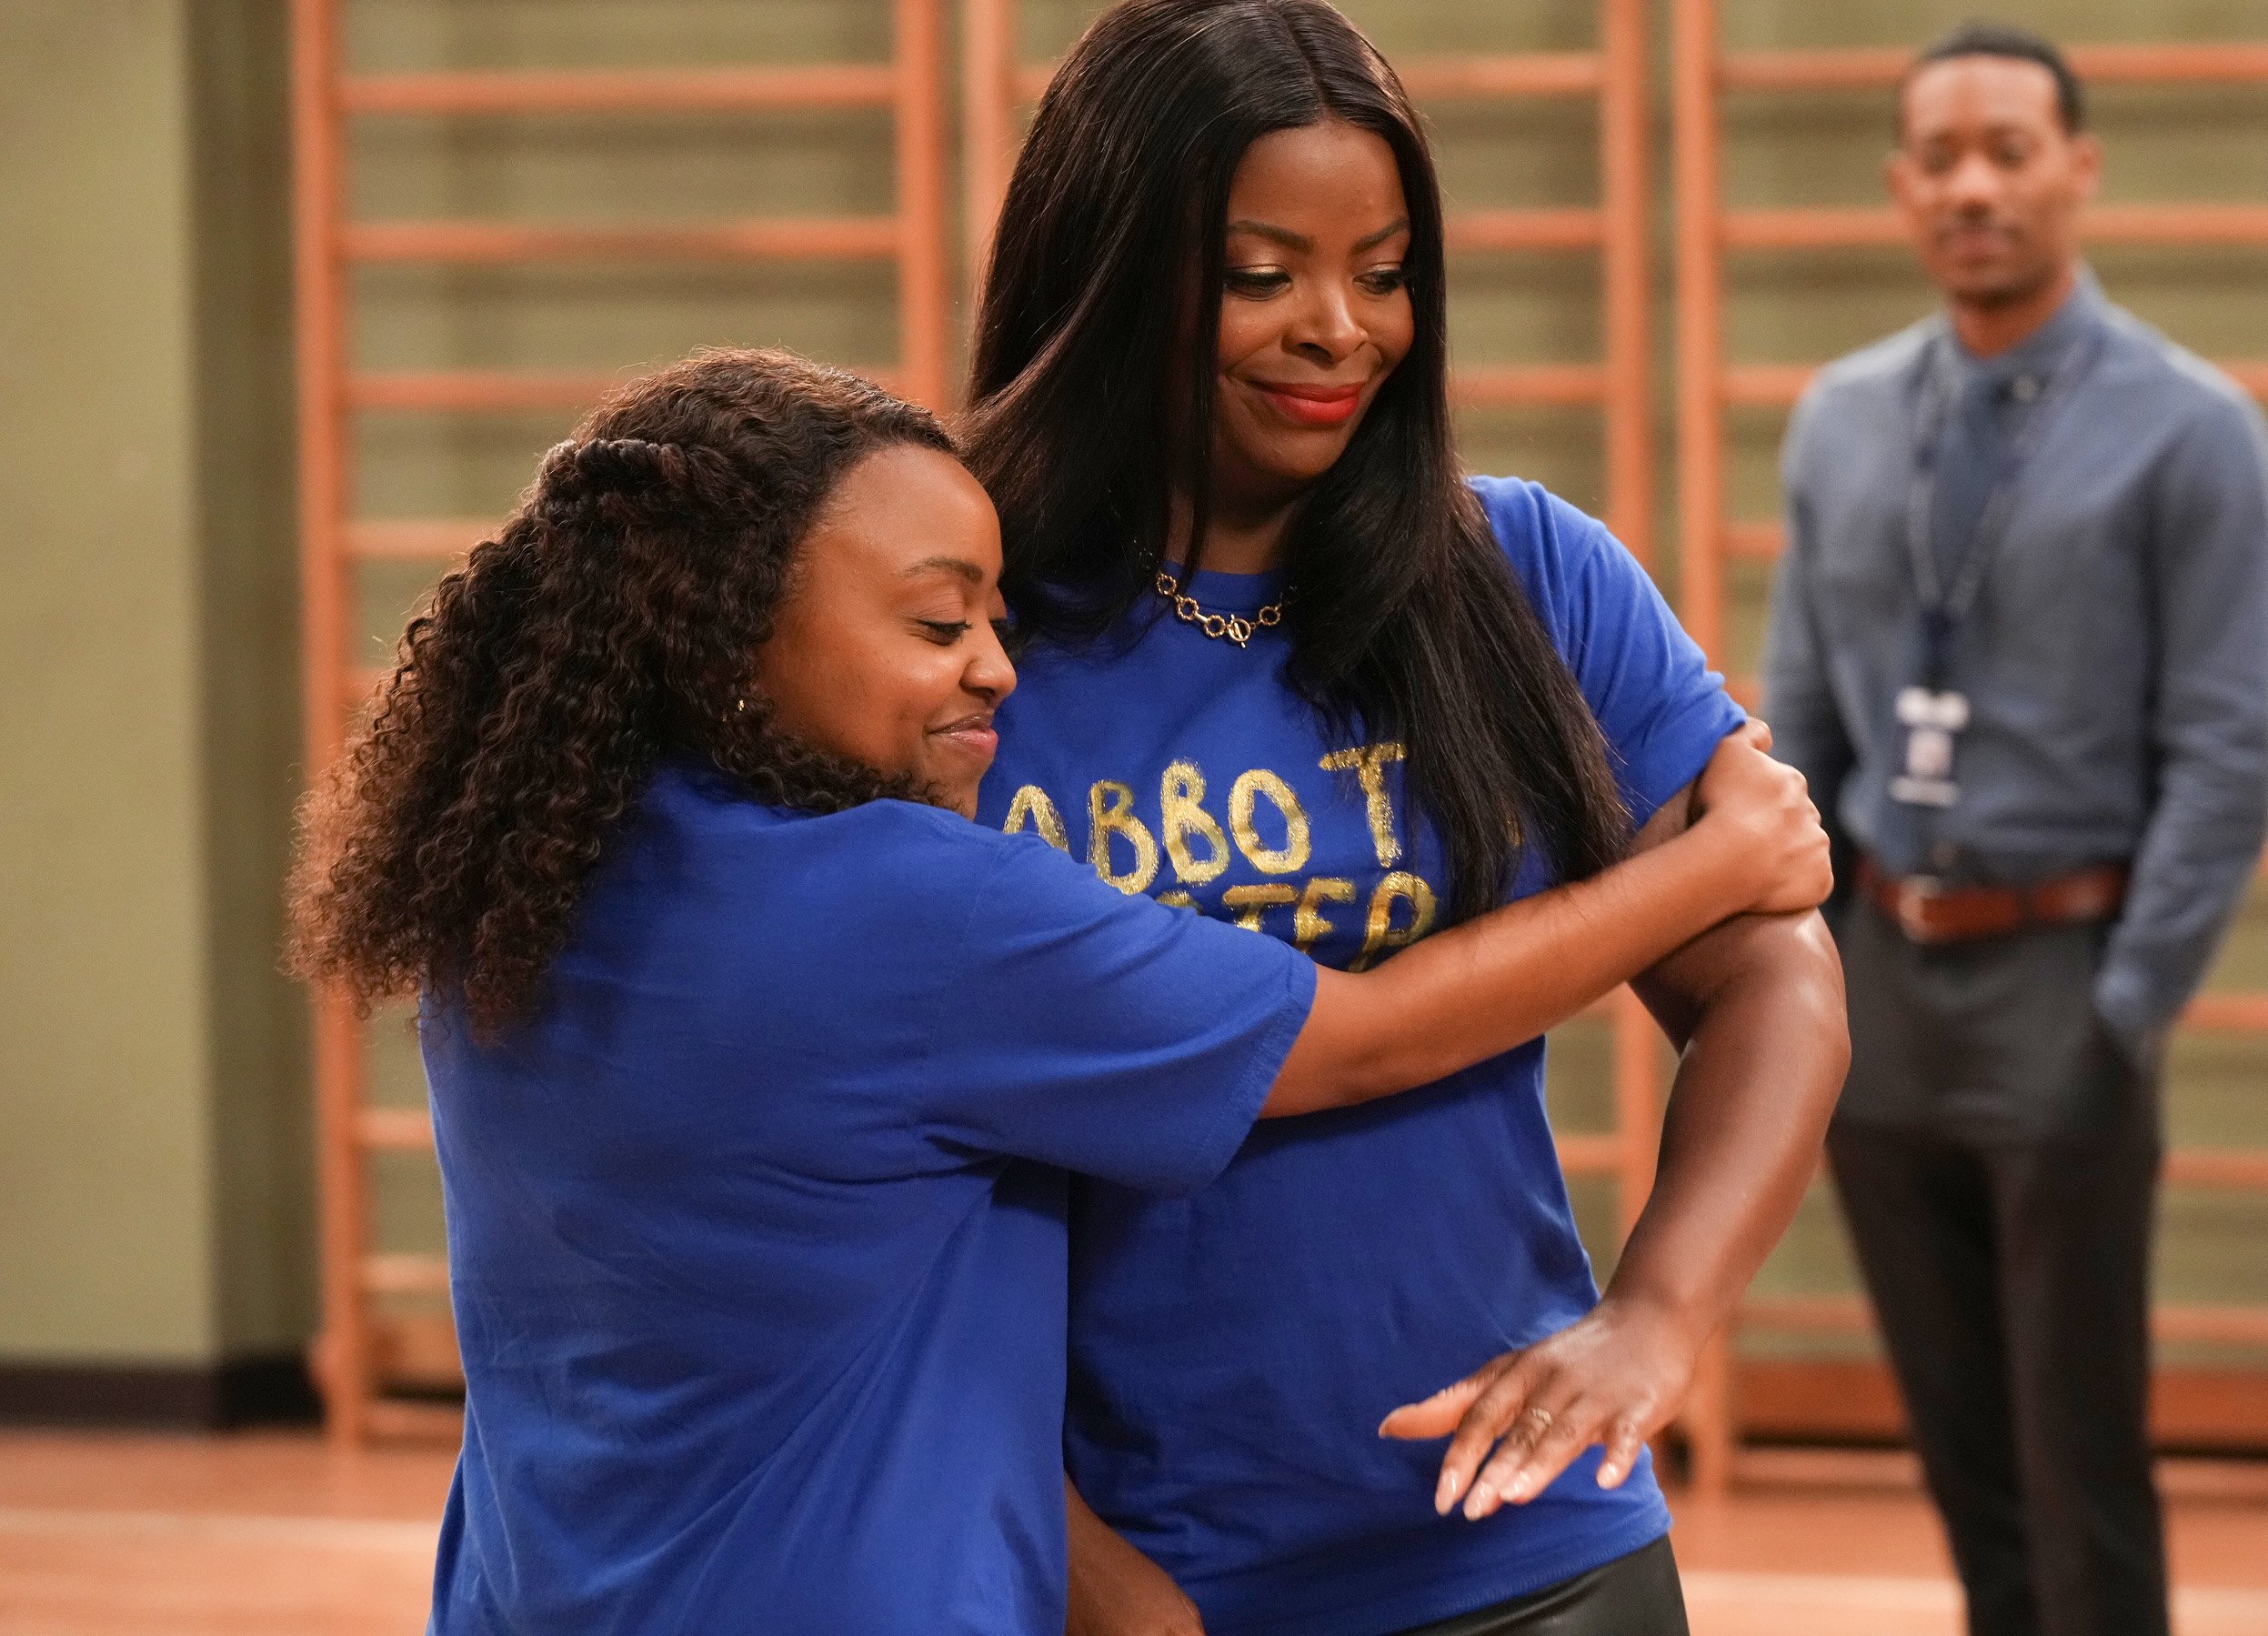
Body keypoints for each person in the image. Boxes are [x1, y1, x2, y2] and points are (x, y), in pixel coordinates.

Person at [281, 349, 1833, 1636]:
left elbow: (868, 1298)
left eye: (998, 621)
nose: (998, 672)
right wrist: (1714, 862)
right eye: (939, 622)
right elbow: (1357, 1040)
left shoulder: (520, 887)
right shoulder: (898, 908)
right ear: (733, 640)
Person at [959, 0, 1850, 1636]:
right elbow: (869, 1176)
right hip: (1136, 1579)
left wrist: (1655, 1318)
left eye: (1384, 276)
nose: (1339, 331)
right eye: (1260, 276)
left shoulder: (1525, 574)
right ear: (1108, 271)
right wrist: (1088, 1574)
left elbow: (1776, 976)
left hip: (1529, 1551)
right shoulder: (959, 633)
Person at [1758, 21, 2268, 1636]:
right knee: (1960, 1454)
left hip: (2067, 973)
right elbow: (1800, 729)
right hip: (1882, 988)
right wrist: (1812, 969)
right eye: (1942, 156)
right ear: (1901, 185)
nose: (1973, 185)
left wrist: (2125, 1010)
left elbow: (2228, 747)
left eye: (2009, 150)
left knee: (2082, 1460)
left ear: (2080, 169)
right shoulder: (1840, 420)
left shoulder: (2193, 430)